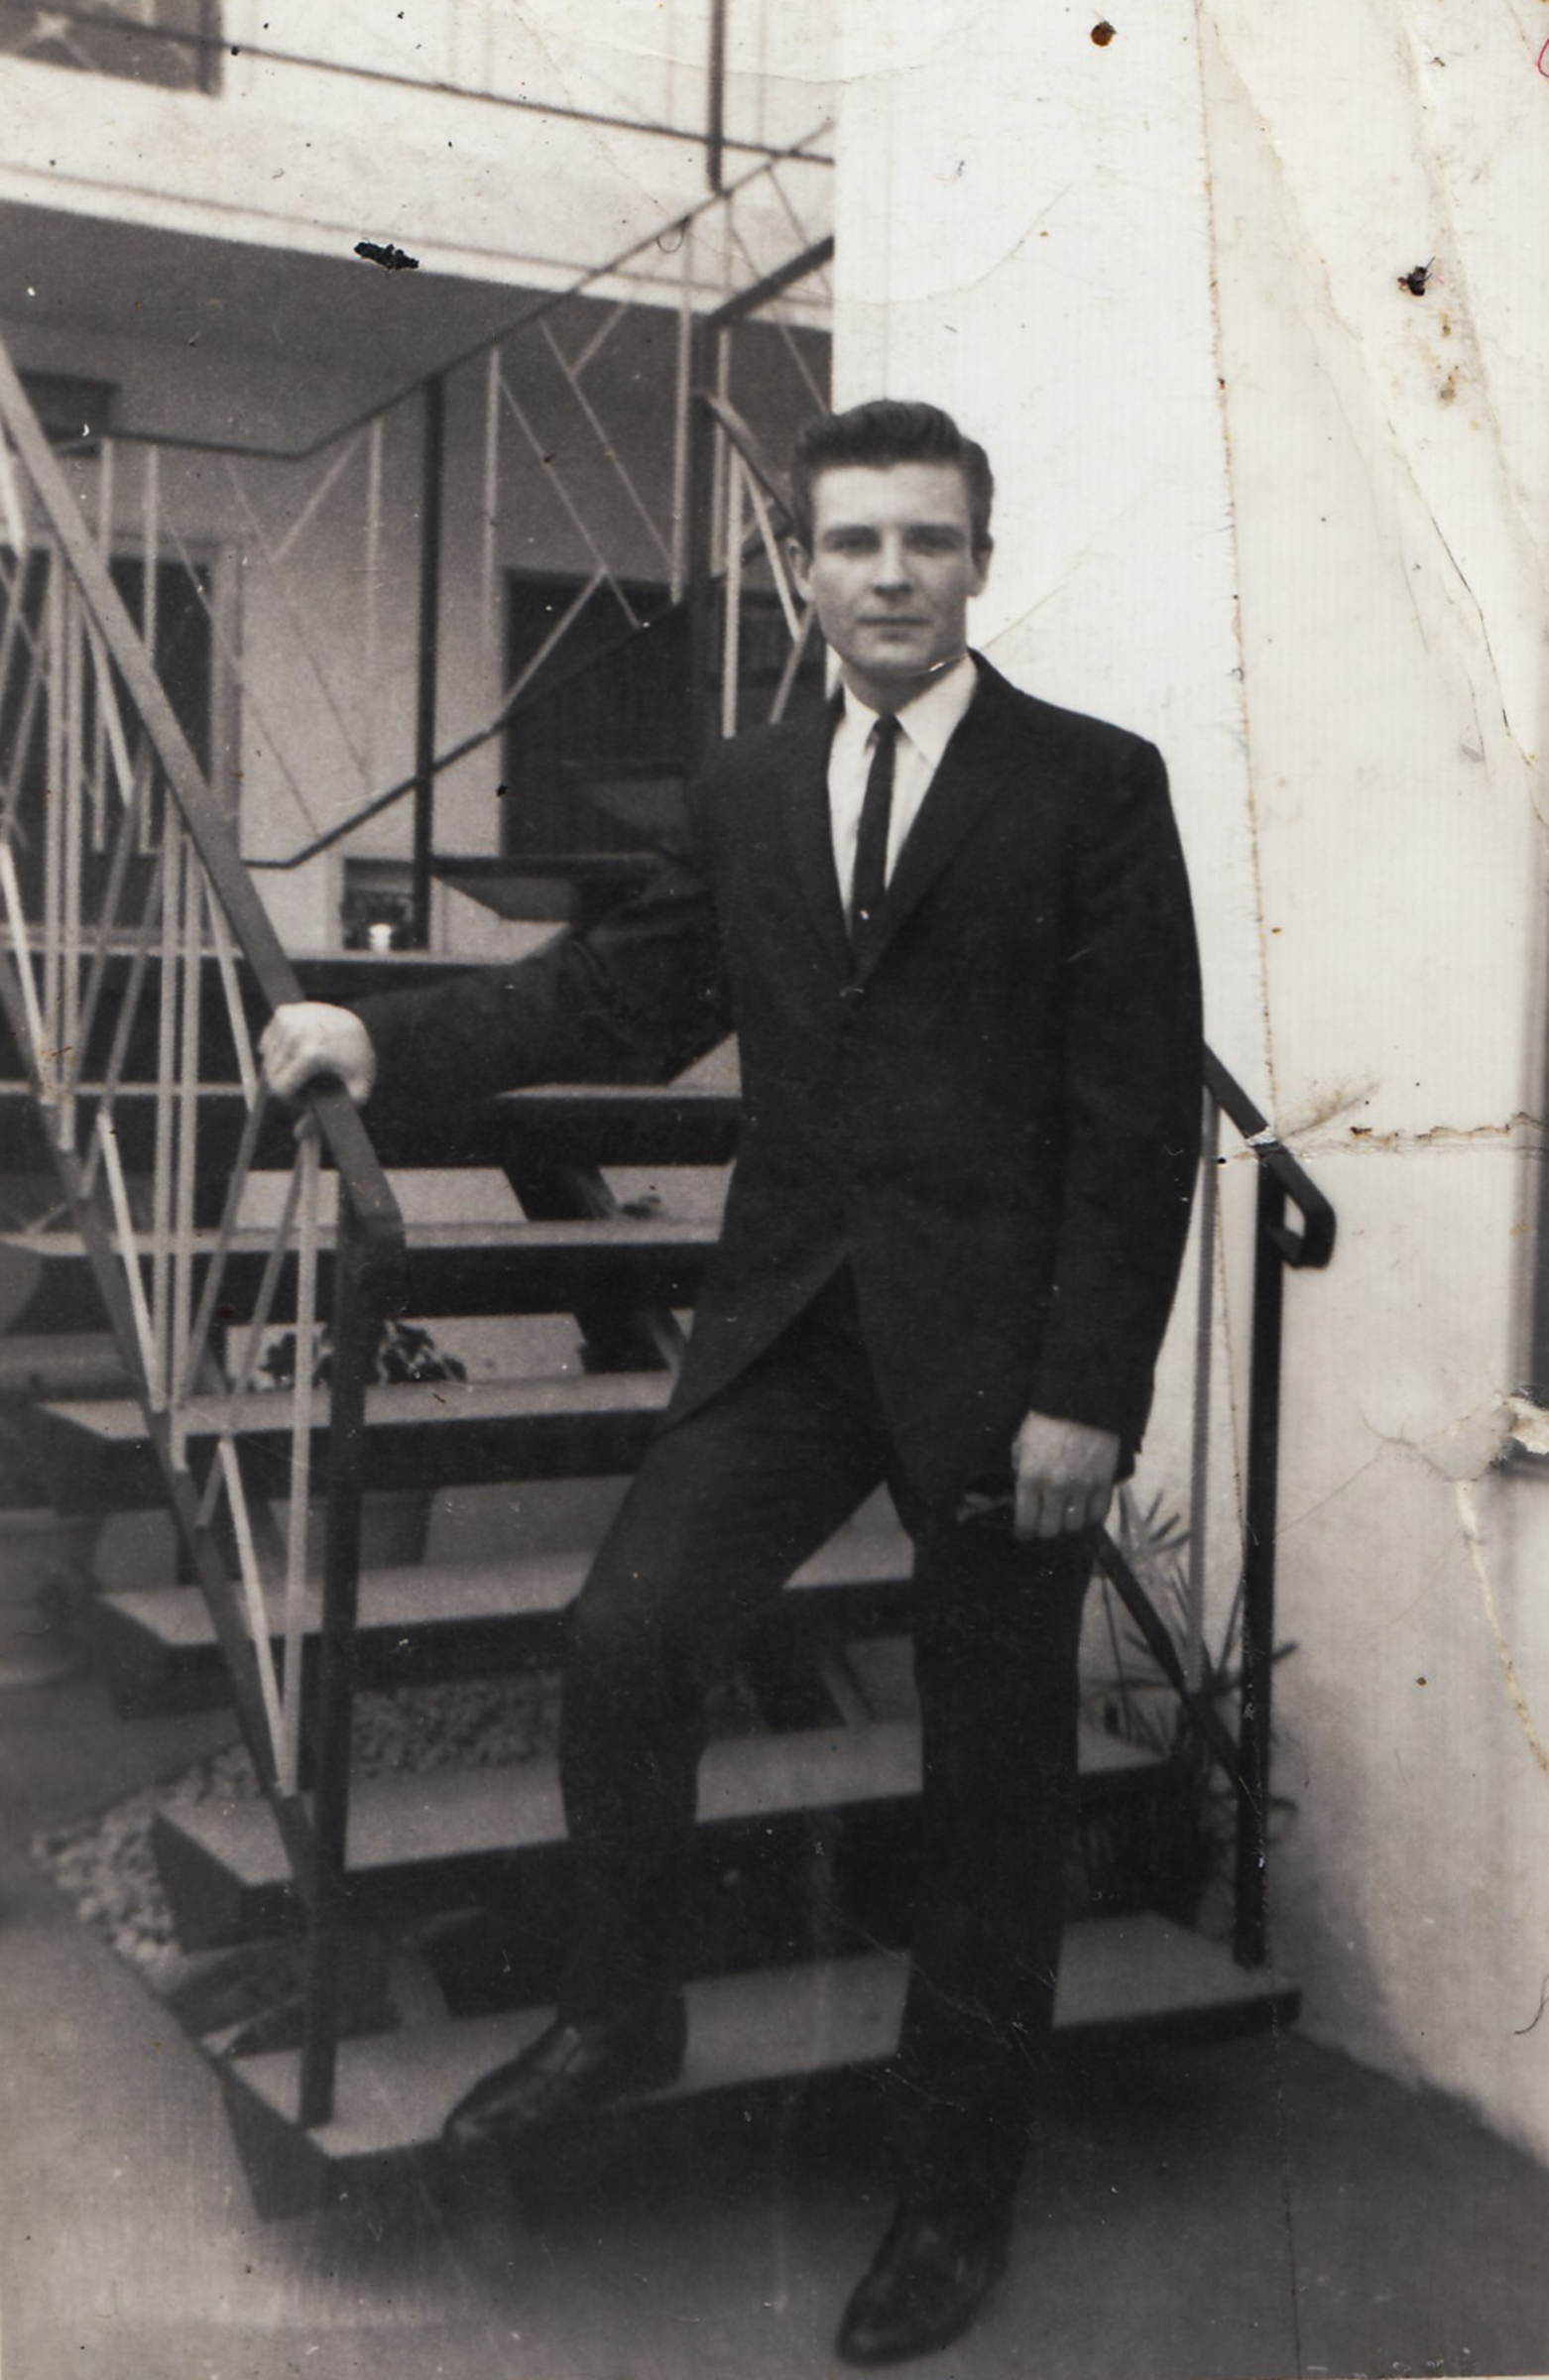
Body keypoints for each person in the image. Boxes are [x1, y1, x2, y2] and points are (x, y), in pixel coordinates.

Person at [261, 399, 1202, 2365]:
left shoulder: (1089, 786)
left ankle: (953, 2192)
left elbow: (1135, 1120)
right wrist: (382, 1041)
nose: (889, 576)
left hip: (1002, 1365)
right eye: (853, 542)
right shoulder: (753, 786)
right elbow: (611, 997)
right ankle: (621, 2017)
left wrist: (1086, 1393)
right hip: (791, 1329)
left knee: (991, 1775)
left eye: (924, 541)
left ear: (978, 557)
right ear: (801, 566)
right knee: (628, 1639)